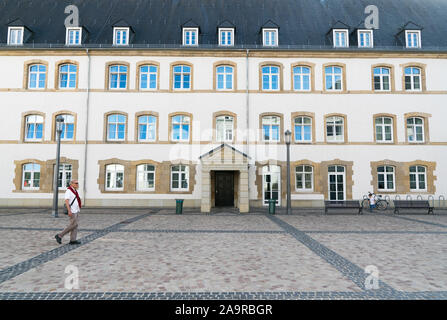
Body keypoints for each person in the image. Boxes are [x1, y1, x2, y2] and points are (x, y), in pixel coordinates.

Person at [55, 180, 82, 245]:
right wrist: (69, 210)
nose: (77, 184)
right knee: (73, 225)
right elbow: (67, 201)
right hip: (72, 210)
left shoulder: (75, 191)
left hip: (76, 210)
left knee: (75, 225)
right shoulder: (69, 191)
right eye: (76, 183)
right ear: (71, 184)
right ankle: (60, 235)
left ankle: (73, 240)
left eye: (78, 183)